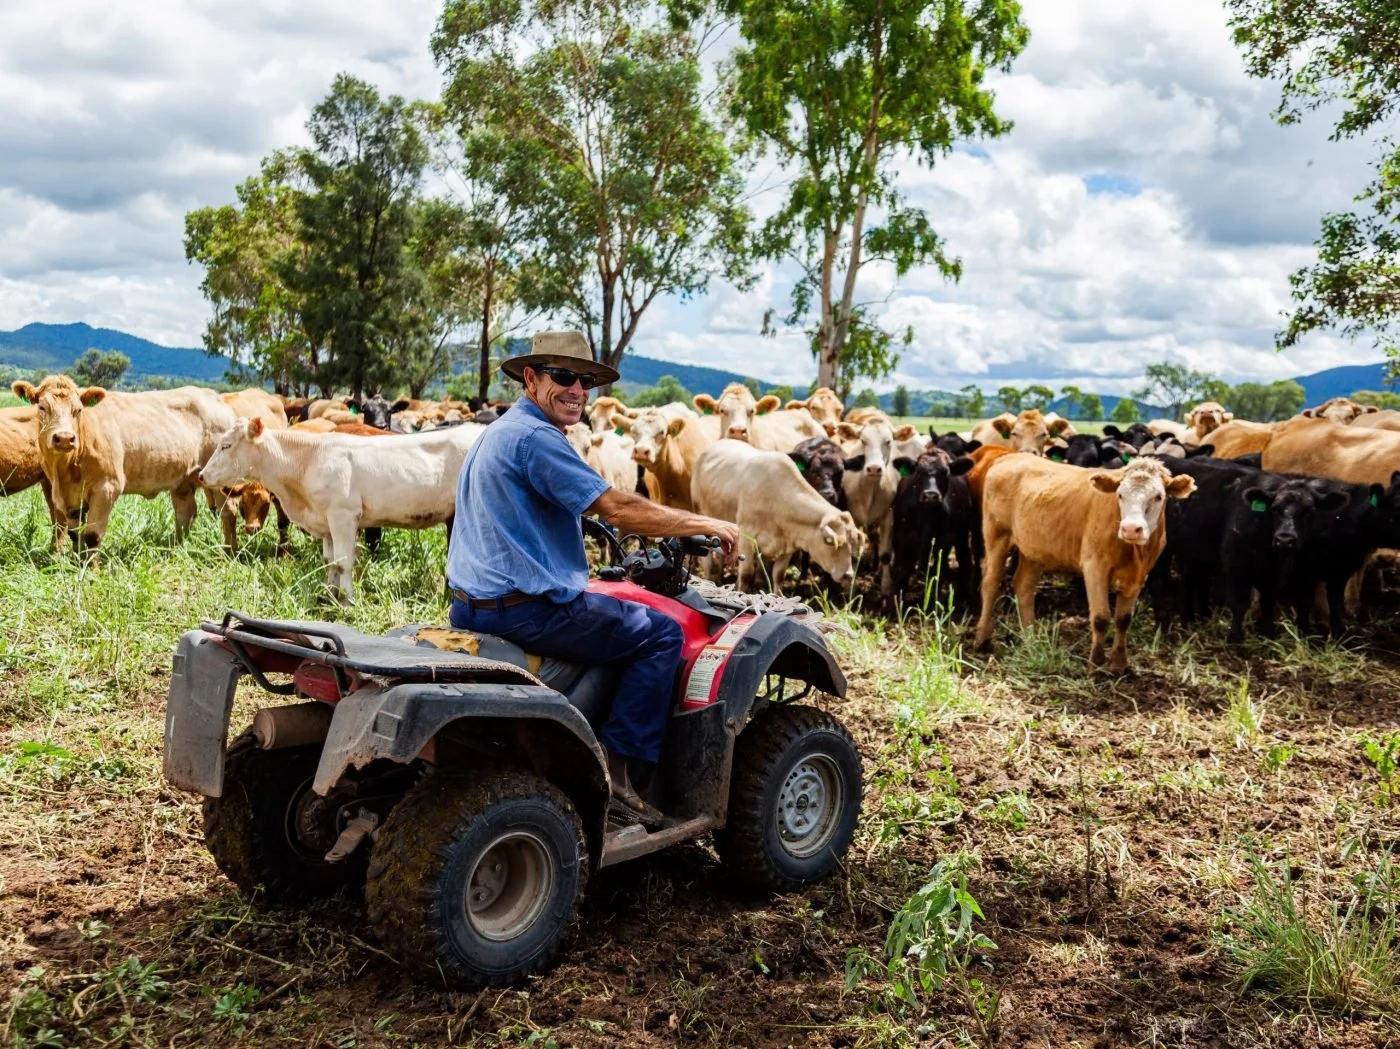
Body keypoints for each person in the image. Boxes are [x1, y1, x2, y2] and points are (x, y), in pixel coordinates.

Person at [446, 331, 740, 826]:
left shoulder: (501, 431)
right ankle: (618, 775)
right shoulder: (537, 438)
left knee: (615, 624)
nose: (578, 389)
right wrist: (702, 522)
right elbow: (618, 508)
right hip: (526, 610)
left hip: (470, 603)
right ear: (531, 379)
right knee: (661, 635)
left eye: (585, 380)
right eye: (564, 377)